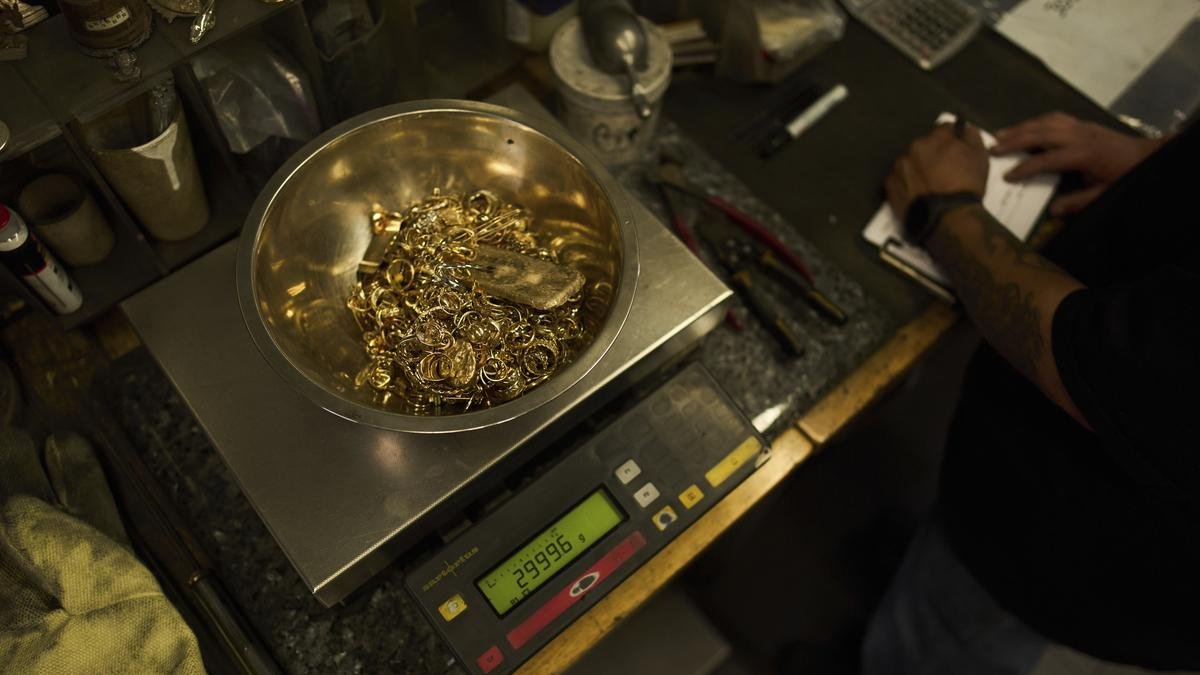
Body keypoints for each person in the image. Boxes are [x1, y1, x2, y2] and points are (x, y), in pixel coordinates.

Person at [862, 111, 1200, 674]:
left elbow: (1088, 361)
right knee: (926, 597)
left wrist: (942, 212)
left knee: (925, 650)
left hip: (1076, 578)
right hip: (1019, 486)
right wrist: (1164, 166)